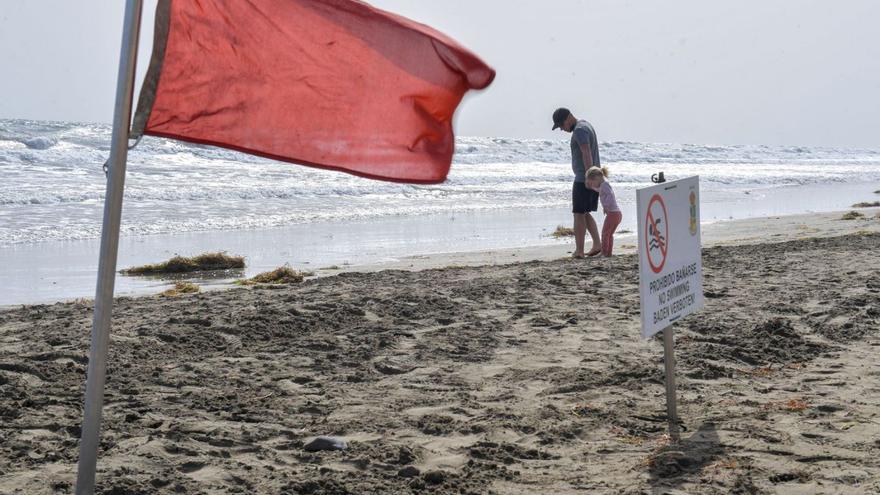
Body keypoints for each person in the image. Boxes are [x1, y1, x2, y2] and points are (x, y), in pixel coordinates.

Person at [552, 107, 601, 258]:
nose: (561, 129)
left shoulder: (579, 130)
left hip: (584, 178)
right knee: (584, 213)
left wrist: (588, 177)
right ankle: (597, 244)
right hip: (593, 176)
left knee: (578, 214)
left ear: (568, 119)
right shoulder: (586, 125)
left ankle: (579, 251)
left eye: (561, 125)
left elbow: (586, 152)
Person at [586, 166, 622, 257]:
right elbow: (600, 191)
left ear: (597, 178)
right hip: (616, 213)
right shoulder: (603, 185)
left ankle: (604, 252)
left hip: (612, 213)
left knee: (605, 233)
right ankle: (608, 253)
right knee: (609, 234)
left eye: (592, 182)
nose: (592, 184)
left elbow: (610, 195)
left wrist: (606, 206)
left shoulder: (605, 185)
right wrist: (592, 188)